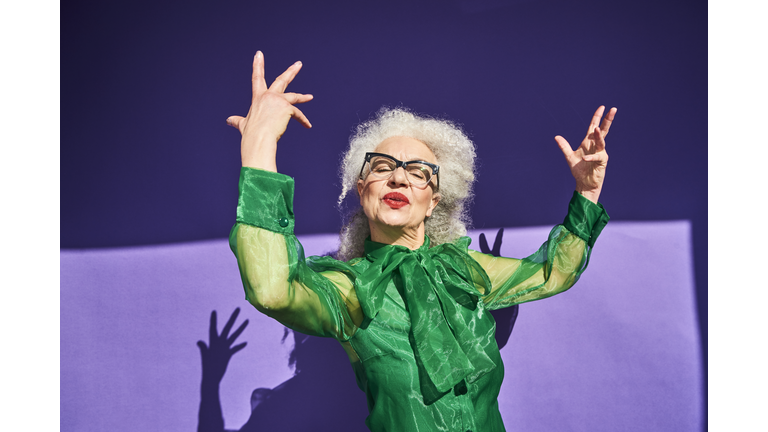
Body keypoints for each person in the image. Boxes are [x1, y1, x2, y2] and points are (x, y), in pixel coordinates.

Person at [226, 51, 615, 432]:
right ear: (362, 191)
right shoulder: (351, 290)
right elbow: (272, 290)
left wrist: (587, 192)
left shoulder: (466, 273)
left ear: (434, 201)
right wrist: (260, 145)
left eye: (417, 171)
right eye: (382, 168)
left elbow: (554, 272)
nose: (398, 179)